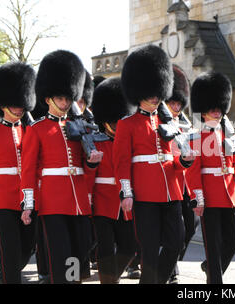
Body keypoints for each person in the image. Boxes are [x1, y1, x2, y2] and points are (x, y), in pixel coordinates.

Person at [20, 50, 104, 284]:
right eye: (61, 98)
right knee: (61, 254)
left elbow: (84, 166)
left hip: (77, 200)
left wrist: (90, 163)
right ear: (48, 99)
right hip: (52, 202)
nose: (66, 103)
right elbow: (28, 169)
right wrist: (28, 204)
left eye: (68, 98)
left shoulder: (78, 127)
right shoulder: (36, 129)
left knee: (78, 254)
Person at [113, 44, 195, 284]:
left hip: (171, 192)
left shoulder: (169, 122)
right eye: (149, 92)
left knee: (176, 242)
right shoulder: (127, 124)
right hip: (145, 194)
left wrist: (184, 161)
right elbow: (122, 162)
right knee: (149, 249)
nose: (154, 96)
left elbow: (173, 159)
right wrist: (126, 192)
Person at [186, 71, 235, 284]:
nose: (217, 112)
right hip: (209, 196)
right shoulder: (196, 136)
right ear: (203, 112)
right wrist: (197, 197)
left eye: (219, 108)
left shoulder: (229, 134)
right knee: (214, 245)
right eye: (212, 108)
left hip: (229, 194)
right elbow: (192, 171)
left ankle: (210, 267)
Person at [87, 76, 137, 283]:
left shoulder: (128, 140)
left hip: (123, 201)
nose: (117, 125)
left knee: (130, 247)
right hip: (101, 201)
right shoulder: (95, 141)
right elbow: (89, 174)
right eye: (114, 121)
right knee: (105, 247)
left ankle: (109, 277)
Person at [0, 62, 37, 284]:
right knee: (11, 250)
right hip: (3, 198)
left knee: (27, 247)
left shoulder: (29, 130)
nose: (19, 108)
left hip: (27, 197)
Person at [166, 65, 200, 284]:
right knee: (174, 232)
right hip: (171, 181)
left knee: (191, 226)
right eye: (173, 103)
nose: (176, 107)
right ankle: (170, 269)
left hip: (187, 182)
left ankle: (171, 260)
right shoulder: (159, 123)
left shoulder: (184, 123)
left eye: (179, 104)